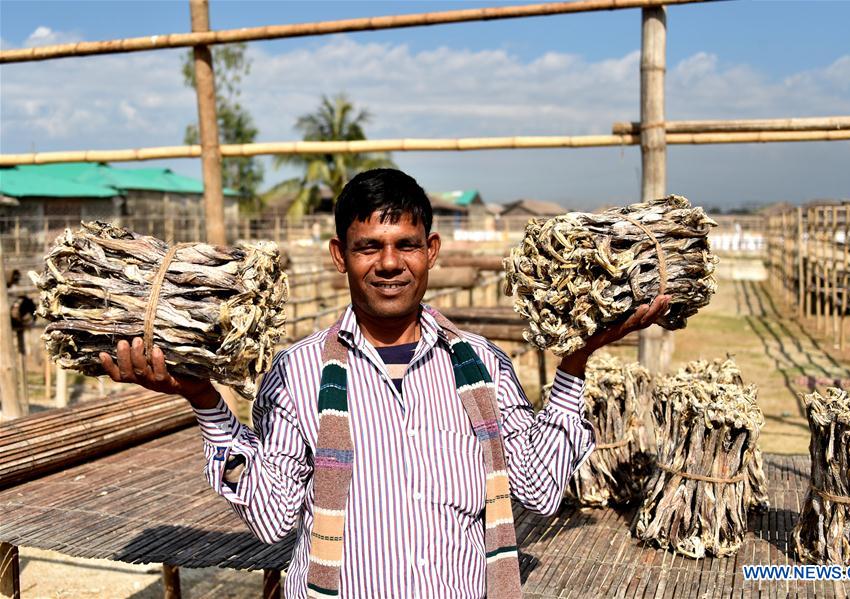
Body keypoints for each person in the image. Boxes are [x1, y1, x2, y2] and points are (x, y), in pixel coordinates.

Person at [100, 168, 669, 599]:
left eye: (406, 245)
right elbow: (273, 519)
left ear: (432, 252)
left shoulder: (482, 365)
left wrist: (575, 363)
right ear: (339, 257)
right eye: (369, 246)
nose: (389, 263)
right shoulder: (297, 374)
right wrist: (204, 400)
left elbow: (540, 490)